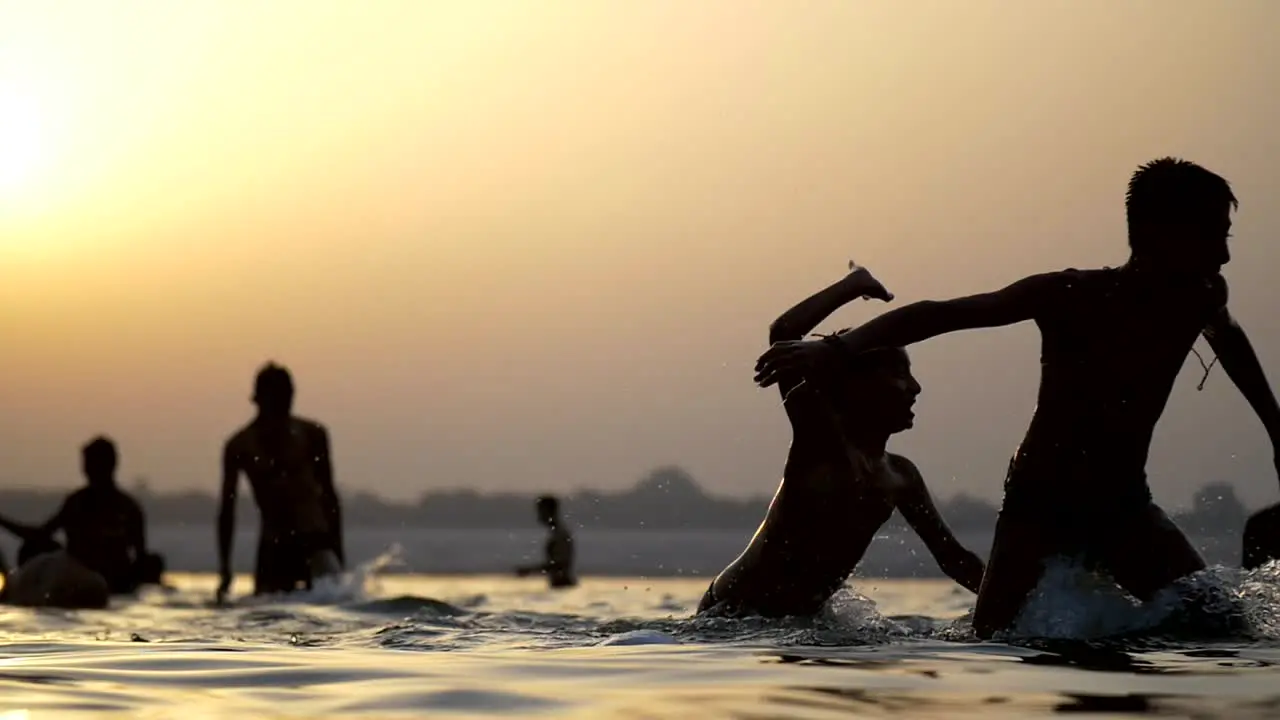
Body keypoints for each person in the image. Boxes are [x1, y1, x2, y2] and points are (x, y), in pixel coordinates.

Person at [754, 158, 1280, 638]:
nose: (1225, 253)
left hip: (1124, 505)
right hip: (1038, 503)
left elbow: (1228, 340)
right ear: (1156, 233)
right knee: (994, 638)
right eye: (1211, 236)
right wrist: (839, 350)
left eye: (1225, 236)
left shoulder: (1203, 295)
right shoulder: (1071, 296)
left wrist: (1276, 429)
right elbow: (942, 314)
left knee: (1223, 628)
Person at [698, 264, 985, 618]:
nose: (915, 387)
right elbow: (785, 332)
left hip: (796, 619)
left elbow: (954, 559)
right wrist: (852, 287)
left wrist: (1024, 604)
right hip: (733, 610)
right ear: (857, 388)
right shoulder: (823, 445)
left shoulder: (901, 476)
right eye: (898, 374)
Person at [218, 363, 345, 603]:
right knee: (269, 616)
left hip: (315, 541)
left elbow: (329, 495)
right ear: (259, 399)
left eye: (287, 398)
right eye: (277, 399)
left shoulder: (312, 434)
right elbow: (227, 510)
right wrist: (225, 569)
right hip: (274, 548)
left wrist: (338, 549)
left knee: (333, 607)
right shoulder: (240, 446)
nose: (284, 405)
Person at [37, 437, 155, 595]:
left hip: (116, 584)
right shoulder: (76, 503)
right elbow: (40, 536)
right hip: (76, 581)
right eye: (86, 464)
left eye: (92, 464)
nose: (87, 469)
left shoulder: (128, 508)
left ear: (111, 465)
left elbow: (141, 556)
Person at [515, 495, 577, 588]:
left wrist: (529, 570)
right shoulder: (557, 533)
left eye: (540, 511)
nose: (538, 516)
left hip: (563, 584)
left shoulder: (560, 535)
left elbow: (560, 564)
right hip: (559, 584)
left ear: (549, 512)